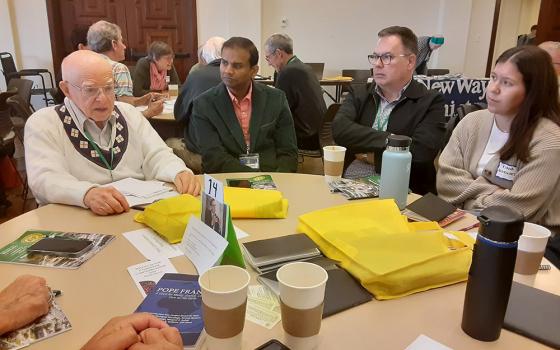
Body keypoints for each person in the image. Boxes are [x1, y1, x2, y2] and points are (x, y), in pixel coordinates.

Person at [24, 50, 200, 216]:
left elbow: (157, 154)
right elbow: (45, 179)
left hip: (137, 212)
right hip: (79, 217)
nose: (103, 99)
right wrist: (86, 194)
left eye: (109, 88)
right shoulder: (44, 123)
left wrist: (178, 172)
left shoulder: (128, 113)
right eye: (90, 90)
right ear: (66, 89)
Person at [437, 46, 560, 232]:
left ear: (532, 91)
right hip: (458, 228)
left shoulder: (549, 142)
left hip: (519, 240)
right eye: (493, 78)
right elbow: (445, 182)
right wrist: (495, 192)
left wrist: (467, 200)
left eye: (507, 83)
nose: (493, 89)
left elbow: (517, 210)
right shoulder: (472, 122)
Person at [332, 26, 445, 195]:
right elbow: (340, 129)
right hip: (352, 184)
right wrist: (393, 141)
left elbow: (421, 153)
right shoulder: (360, 93)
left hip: (407, 191)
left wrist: (369, 156)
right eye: (375, 57)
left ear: (410, 62)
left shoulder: (430, 101)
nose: (377, 64)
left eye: (387, 57)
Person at [189, 37, 298, 173]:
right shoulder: (204, 104)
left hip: (271, 178)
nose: (227, 70)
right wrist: (255, 180)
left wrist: (277, 182)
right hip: (227, 178)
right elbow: (213, 158)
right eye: (224, 63)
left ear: (253, 71)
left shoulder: (276, 99)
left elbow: (288, 152)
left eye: (237, 65)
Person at [87, 20, 164, 118]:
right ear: (114, 44)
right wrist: (150, 112)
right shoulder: (119, 69)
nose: (124, 46)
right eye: (122, 41)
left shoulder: (84, 67)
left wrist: (142, 100)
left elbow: (117, 101)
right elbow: (124, 108)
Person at [263, 33, 326, 150]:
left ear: (278, 54)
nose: (268, 63)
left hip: (304, 138)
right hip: (320, 134)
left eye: (268, 58)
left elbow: (278, 110)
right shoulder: (304, 67)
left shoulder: (288, 72)